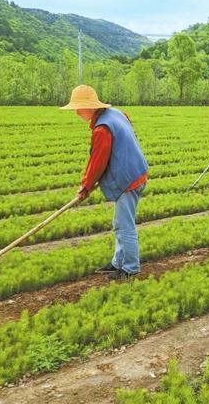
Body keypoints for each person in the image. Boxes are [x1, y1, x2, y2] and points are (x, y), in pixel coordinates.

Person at [61, 85, 148, 281]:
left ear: (90, 107)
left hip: (129, 179)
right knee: (120, 222)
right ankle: (118, 262)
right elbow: (128, 126)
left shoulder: (102, 129)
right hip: (136, 171)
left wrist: (86, 186)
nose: (76, 113)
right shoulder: (115, 113)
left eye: (78, 108)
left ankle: (130, 268)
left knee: (124, 225)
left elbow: (97, 162)